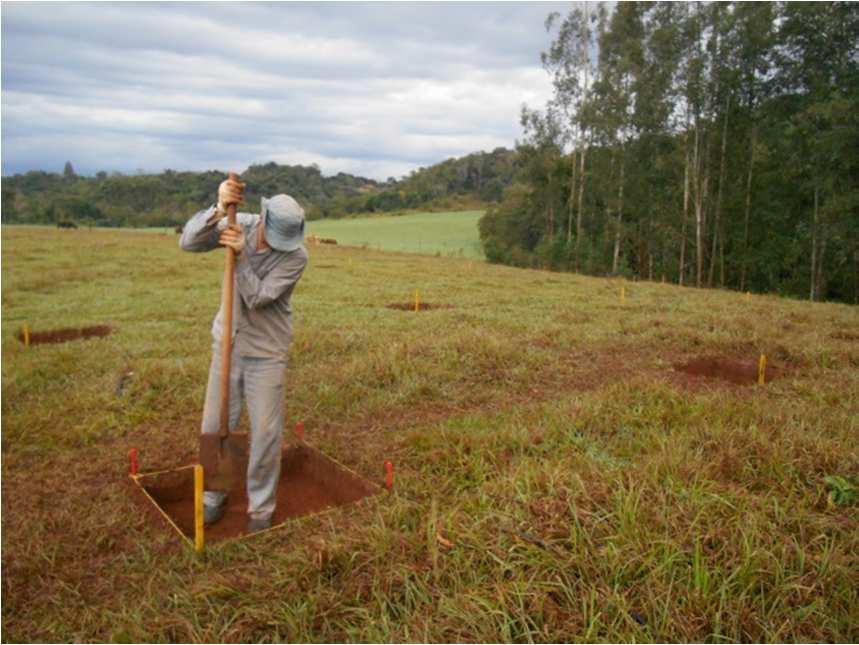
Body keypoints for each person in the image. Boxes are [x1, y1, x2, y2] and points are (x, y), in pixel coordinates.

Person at [179, 176, 308, 532]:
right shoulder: (242, 223)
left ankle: (260, 512)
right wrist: (219, 209)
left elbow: (258, 297)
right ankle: (213, 497)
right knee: (215, 425)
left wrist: (240, 257)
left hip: (267, 352)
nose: (280, 244)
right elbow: (188, 243)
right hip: (228, 344)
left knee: (266, 433)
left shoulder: (297, 257)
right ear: (263, 217)